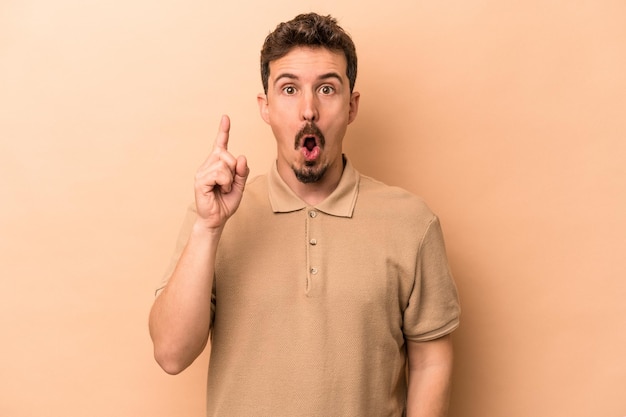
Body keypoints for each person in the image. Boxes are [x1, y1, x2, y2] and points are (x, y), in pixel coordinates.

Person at [149, 12, 460, 417]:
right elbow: (171, 354)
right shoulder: (215, 217)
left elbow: (431, 361)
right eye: (290, 89)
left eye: (327, 89)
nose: (308, 109)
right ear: (266, 106)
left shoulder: (412, 223)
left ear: (351, 106)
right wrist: (209, 228)